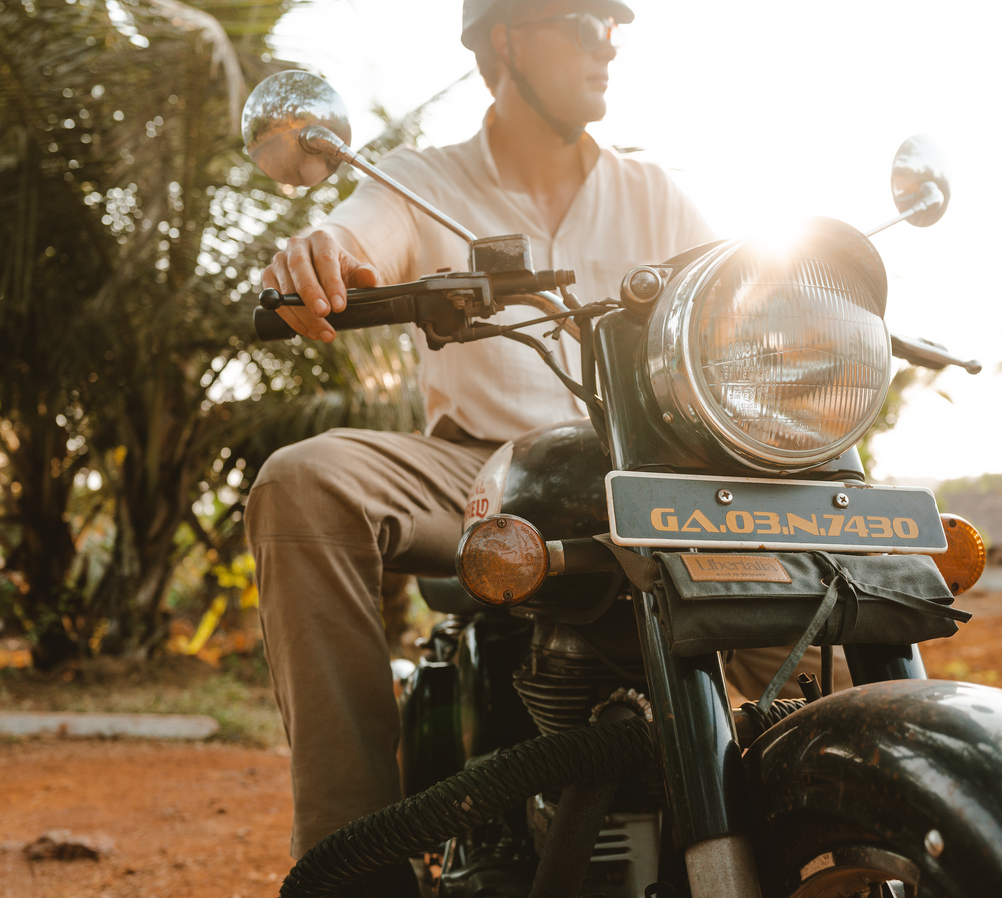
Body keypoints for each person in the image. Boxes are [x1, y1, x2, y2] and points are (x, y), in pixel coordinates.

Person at [245, 1, 845, 892]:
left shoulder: (656, 195)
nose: (610, 45)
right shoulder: (419, 180)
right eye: (584, 22)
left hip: (640, 475)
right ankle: (355, 863)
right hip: (472, 473)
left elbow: (739, 308)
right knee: (304, 482)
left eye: (615, 26)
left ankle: (857, 813)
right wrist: (326, 249)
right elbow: (361, 231)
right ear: (506, 39)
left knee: (832, 564)